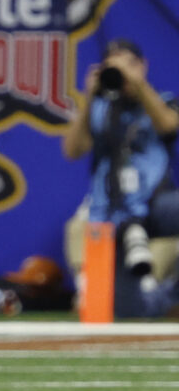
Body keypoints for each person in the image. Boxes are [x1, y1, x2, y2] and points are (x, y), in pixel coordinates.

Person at [61, 38, 179, 317]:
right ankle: (149, 297)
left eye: (129, 64)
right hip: (112, 211)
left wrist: (137, 84)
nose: (122, 73)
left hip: (156, 204)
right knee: (129, 312)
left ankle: (170, 290)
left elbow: (168, 126)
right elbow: (72, 150)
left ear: (143, 66)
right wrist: (89, 98)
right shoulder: (101, 110)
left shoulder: (163, 102)